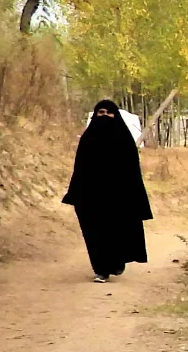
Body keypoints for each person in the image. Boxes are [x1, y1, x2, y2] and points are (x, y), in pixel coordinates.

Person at [62, 98, 152, 281]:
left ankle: (117, 262)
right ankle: (101, 269)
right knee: (95, 233)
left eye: (109, 113)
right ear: (95, 115)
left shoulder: (124, 140)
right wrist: (77, 193)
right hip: (91, 197)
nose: (104, 116)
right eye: (100, 113)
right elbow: (79, 168)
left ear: (115, 115)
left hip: (118, 197)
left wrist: (132, 196)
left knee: (116, 231)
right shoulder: (87, 139)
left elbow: (133, 172)